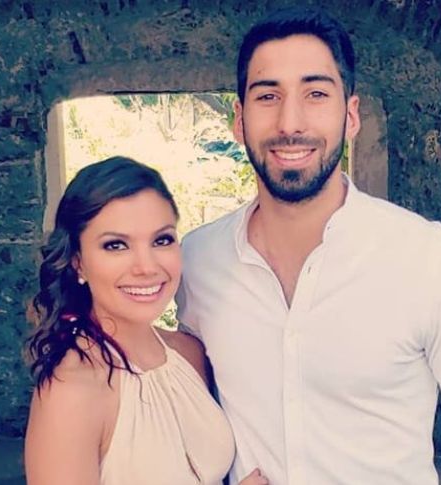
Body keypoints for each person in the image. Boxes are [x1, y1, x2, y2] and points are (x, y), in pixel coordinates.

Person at [175, 7, 441, 485]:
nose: (290, 122)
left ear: (351, 115)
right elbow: (178, 415)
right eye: (268, 96)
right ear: (239, 120)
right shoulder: (198, 261)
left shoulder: (432, 261)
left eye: (316, 93)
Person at [24, 156, 268, 485]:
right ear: (78, 262)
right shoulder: (71, 391)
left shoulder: (189, 353)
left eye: (161, 240)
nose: (147, 267)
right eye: (116, 245)